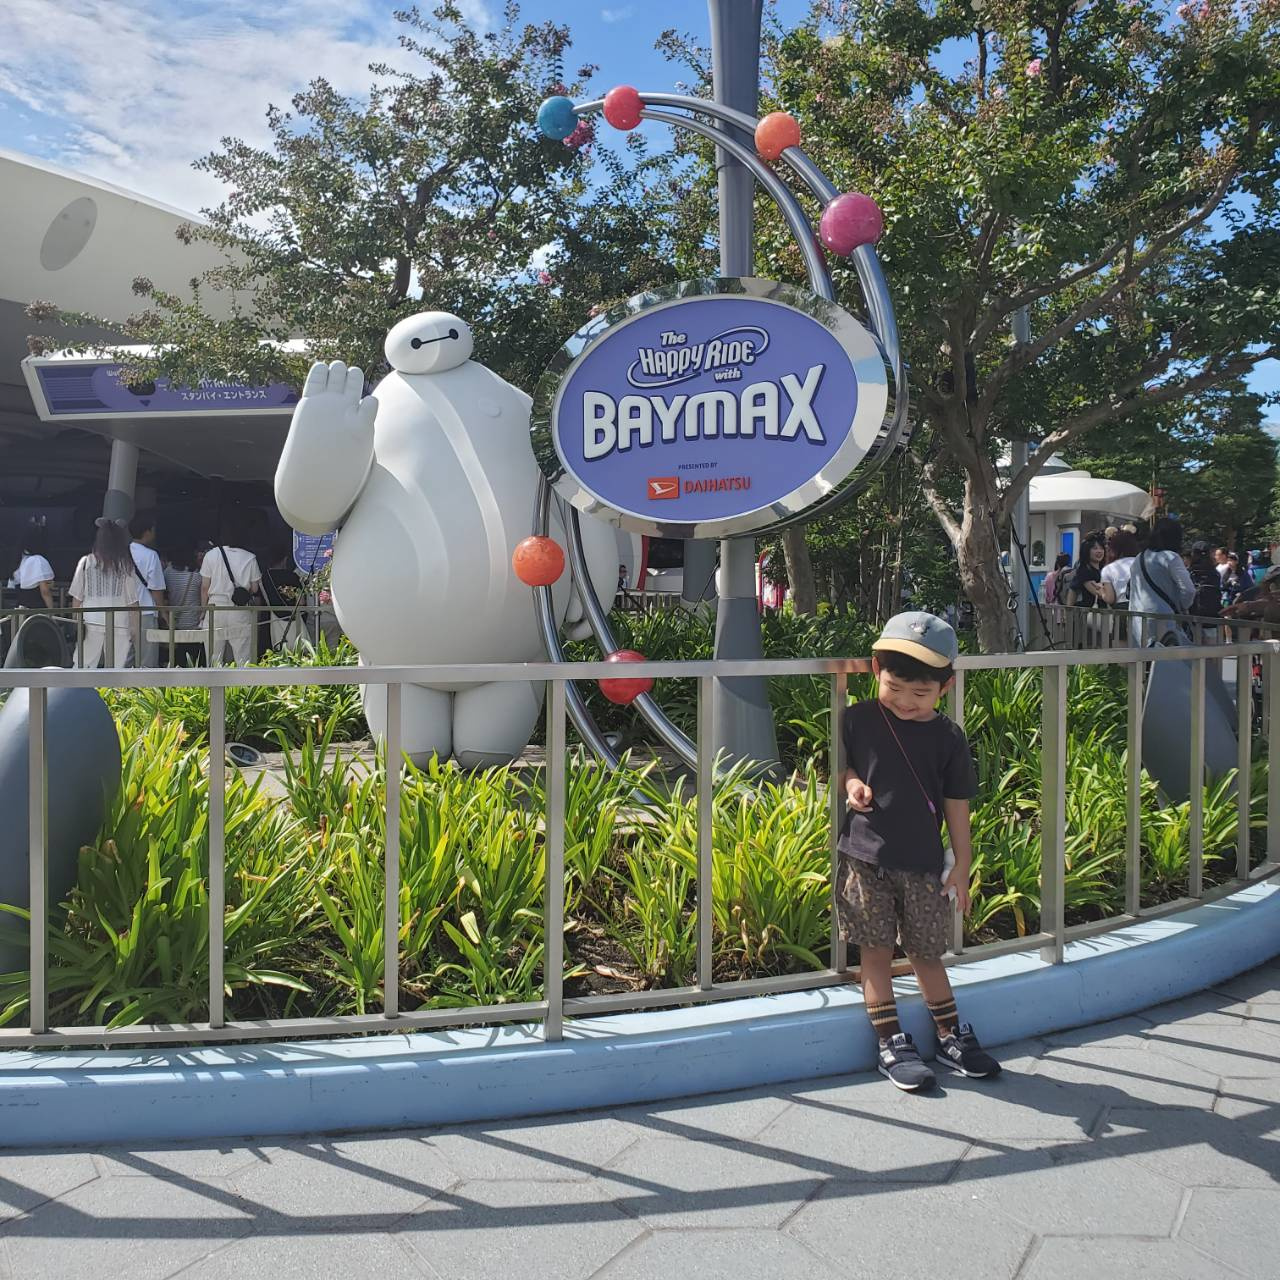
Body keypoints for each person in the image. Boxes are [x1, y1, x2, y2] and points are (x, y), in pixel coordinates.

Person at [838, 611, 999, 1091]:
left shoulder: (948, 737)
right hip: (865, 858)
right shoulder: (857, 719)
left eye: (921, 693)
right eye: (894, 687)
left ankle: (950, 1034)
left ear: (945, 687)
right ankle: (890, 1041)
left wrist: (962, 862)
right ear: (876, 670)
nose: (906, 701)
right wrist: (852, 785)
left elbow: (956, 803)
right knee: (875, 950)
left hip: (924, 863)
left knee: (928, 951)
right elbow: (844, 766)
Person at [69, 518, 140, 668]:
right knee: (116, 668)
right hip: (119, 623)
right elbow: (132, 602)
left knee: (83, 666)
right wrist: (135, 627)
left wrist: (75, 622)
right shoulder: (125, 565)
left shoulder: (85, 562)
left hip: (90, 621)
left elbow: (77, 598)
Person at [200, 514, 262, 666]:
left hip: (215, 609)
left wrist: (203, 610)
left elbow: (204, 588)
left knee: (214, 658)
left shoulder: (211, 555)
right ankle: (243, 681)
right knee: (243, 658)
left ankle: (213, 681)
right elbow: (255, 588)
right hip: (240, 610)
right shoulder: (250, 558)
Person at [1129, 517, 1196, 646]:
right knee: (1165, 656)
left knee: (1143, 656)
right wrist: (1182, 606)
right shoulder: (1170, 557)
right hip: (1165, 619)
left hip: (1138, 618)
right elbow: (1189, 590)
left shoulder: (1139, 558)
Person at [161, 542, 205, 666]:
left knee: (177, 662)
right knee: (196, 661)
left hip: (175, 624)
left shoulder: (167, 573)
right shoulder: (197, 575)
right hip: (194, 624)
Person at [7, 520, 55, 609]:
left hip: (20, 610)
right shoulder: (38, 561)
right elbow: (45, 592)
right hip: (37, 611)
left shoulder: (19, 561)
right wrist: (51, 612)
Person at [1099, 530, 1139, 607]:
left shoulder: (1108, 569)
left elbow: (1110, 598)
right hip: (1143, 607)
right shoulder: (1141, 563)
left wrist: (1101, 591)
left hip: (1121, 608)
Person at [1068, 534, 1108, 608]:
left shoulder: (1103, 569)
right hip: (1087, 612)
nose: (1099, 551)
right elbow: (1099, 594)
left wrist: (1102, 587)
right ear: (1086, 551)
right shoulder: (1084, 571)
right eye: (1095, 548)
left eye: (1101, 548)